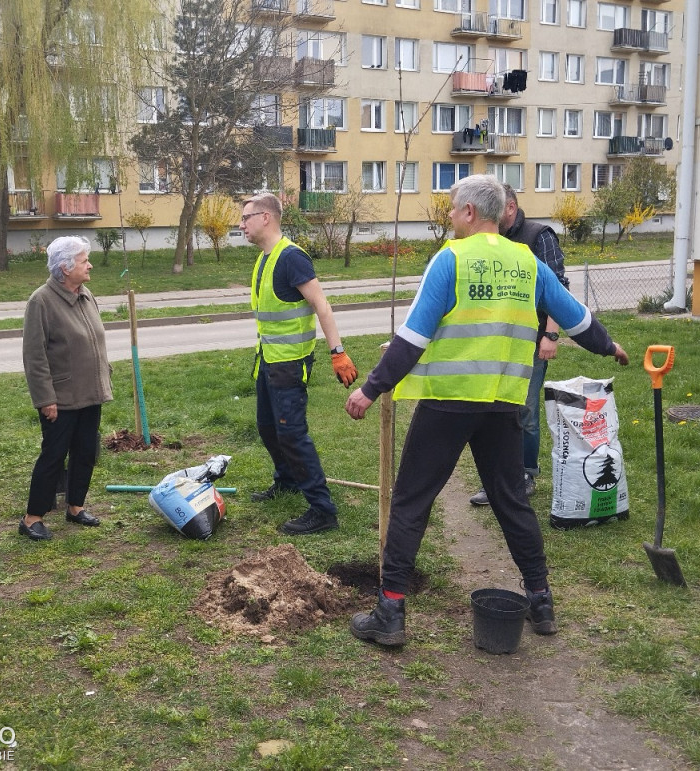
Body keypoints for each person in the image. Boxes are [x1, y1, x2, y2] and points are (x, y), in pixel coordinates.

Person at [344, 175, 628, 645]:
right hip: (503, 402)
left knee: (412, 499)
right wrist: (608, 345)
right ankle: (541, 600)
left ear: (471, 212)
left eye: (454, 209)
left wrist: (371, 388)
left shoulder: (450, 260)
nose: (451, 216)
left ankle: (390, 612)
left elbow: (413, 337)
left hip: (448, 403)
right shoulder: (528, 263)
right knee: (511, 500)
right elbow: (576, 317)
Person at [241, 192, 358, 535]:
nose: (241, 224)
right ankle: (288, 479)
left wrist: (337, 352)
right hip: (269, 361)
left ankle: (322, 510)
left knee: (292, 434)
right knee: (267, 426)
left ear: (266, 218)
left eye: (246, 217)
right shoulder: (266, 257)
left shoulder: (291, 258)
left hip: (290, 365)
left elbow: (322, 305)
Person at [469, 183, 570, 506]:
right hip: (496, 341)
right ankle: (497, 477)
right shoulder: (493, 238)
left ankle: (524, 475)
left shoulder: (539, 236)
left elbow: (559, 288)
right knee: (494, 407)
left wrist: (551, 334)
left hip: (531, 340)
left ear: (509, 207)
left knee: (523, 408)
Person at [19, 236, 113, 541]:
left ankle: (75, 508)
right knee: (54, 456)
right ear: (65, 268)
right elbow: (35, 357)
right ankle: (32, 518)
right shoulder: (41, 301)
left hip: (90, 393)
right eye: (84, 261)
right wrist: (45, 398)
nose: (90, 265)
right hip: (60, 399)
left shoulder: (86, 295)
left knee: (86, 452)